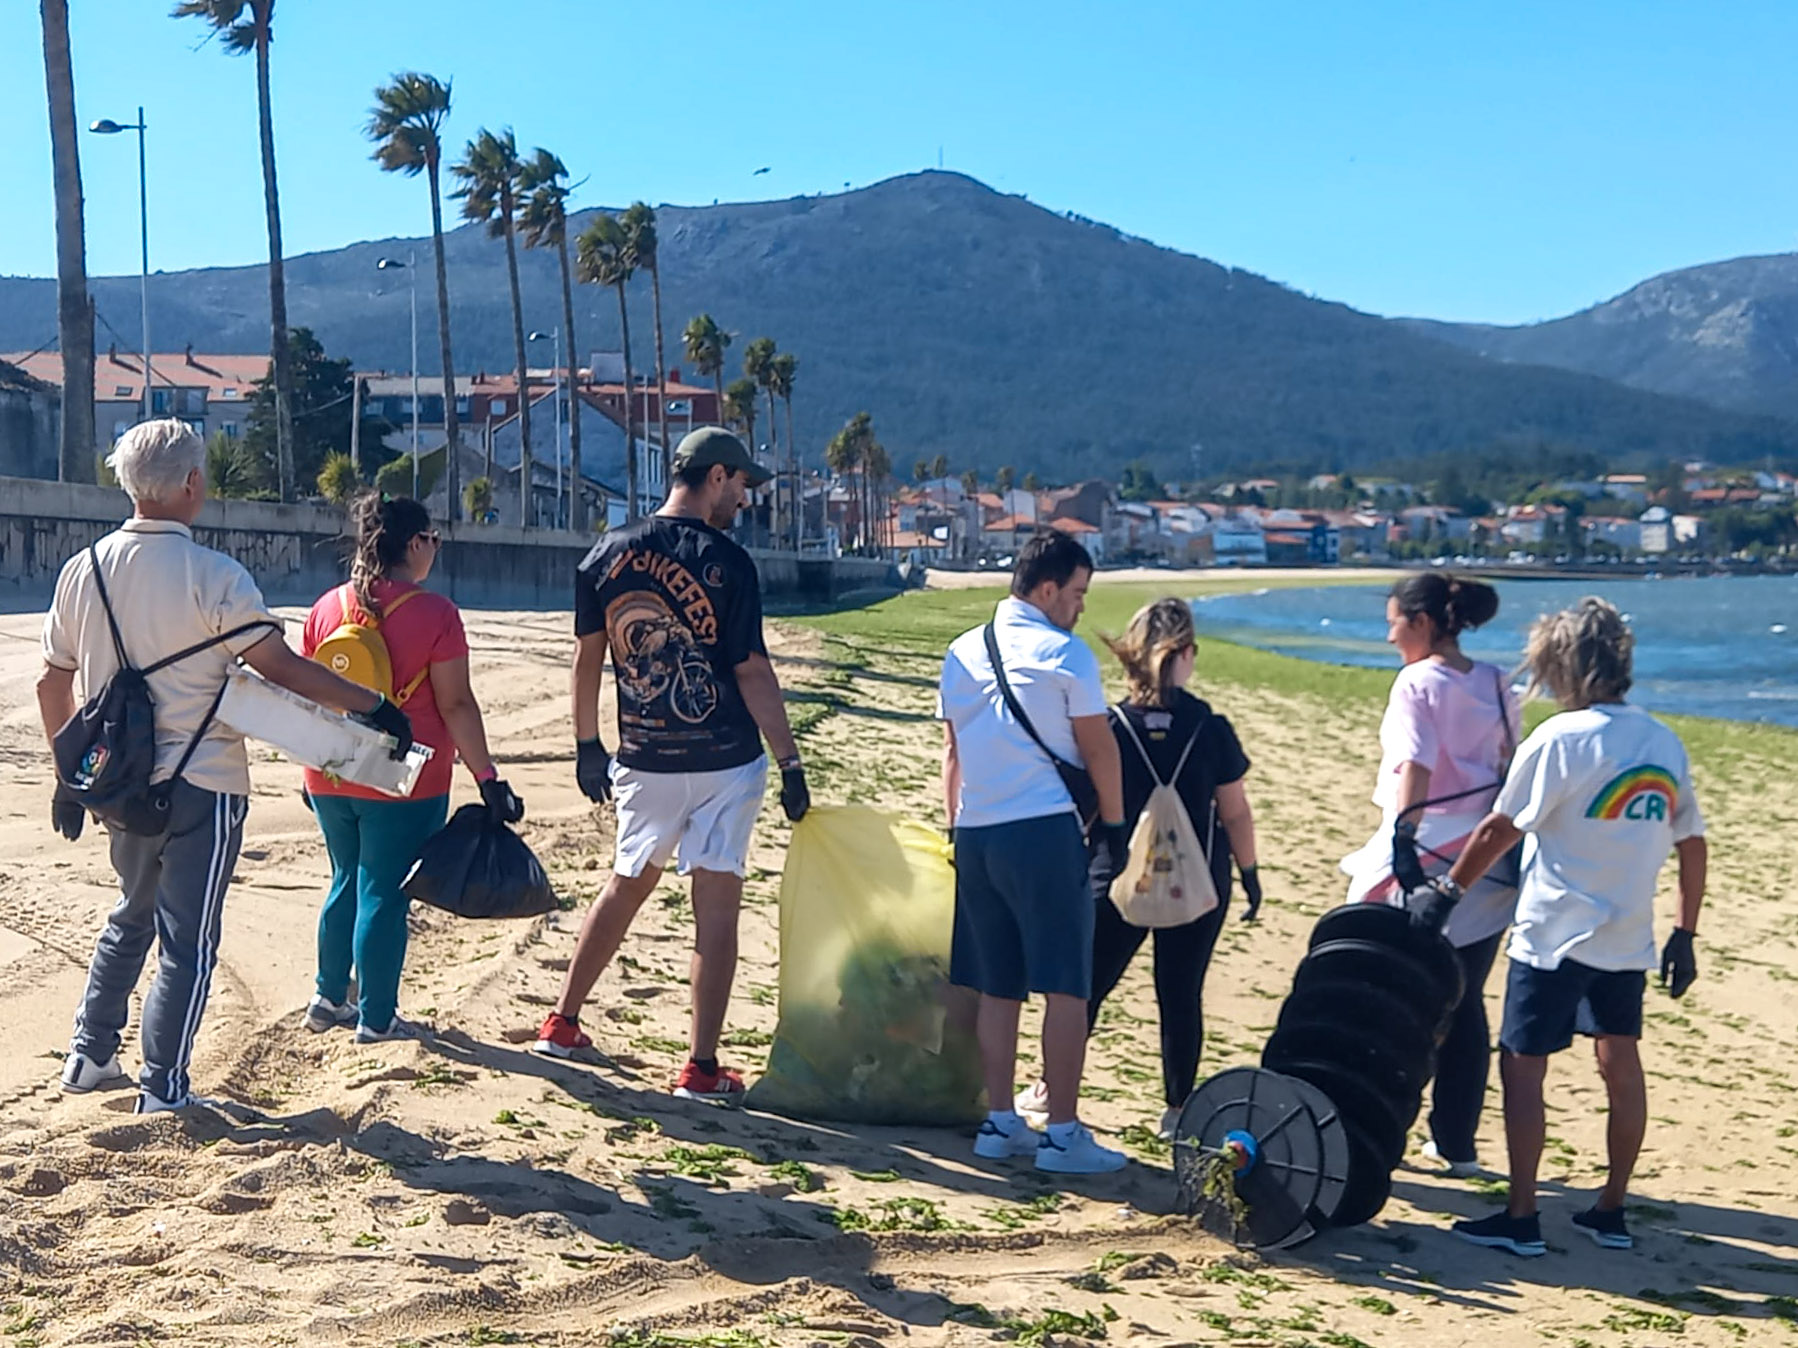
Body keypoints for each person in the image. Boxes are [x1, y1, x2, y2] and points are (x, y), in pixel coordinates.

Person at [38, 419, 412, 1113]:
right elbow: (282, 670)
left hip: (118, 784)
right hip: (201, 784)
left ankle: (89, 1054)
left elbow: (51, 684)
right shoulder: (215, 577)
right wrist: (374, 706)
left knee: (131, 914)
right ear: (191, 484)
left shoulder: (80, 571)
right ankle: (163, 1090)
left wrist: (70, 773)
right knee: (188, 941)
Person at [1412, 598, 1706, 1258]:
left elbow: (1499, 826)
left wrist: (1447, 890)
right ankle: (1611, 1209)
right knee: (1620, 1063)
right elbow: (1692, 840)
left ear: (1563, 665)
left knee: (1523, 1067)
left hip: (1551, 936)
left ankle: (1522, 1217)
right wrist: (1686, 932)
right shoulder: (1662, 741)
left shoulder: (1561, 737)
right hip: (1627, 933)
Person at [539, 427, 809, 1103]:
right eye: (742, 485)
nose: (744, 499)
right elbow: (751, 669)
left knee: (626, 885)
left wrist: (585, 745)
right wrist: (791, 761)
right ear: (716, 477)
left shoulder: (603, 556)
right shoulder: (731, 562)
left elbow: (587, 659)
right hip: (726, 759)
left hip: (645, 756)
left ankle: (563, 1022)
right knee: (716, 909)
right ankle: (700, 1067)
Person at [938, 530, 1130, 1175]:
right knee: (1065, 984)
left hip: (976, 828)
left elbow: (953, 754)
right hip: (1043, 830)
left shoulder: (962, 651)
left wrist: (953, 828)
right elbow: (1099, 749)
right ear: (1046, 589)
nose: (1080, 607)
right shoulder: (1066, 655)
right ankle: (1063, 1133)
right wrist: (1115, 825)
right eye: (1077, 594)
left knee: (999, 984)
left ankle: (1000, 1120)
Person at [299, 494, 522, 1044]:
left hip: (329, 769)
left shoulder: (328, 606)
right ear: (415, 544)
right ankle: (376, 1019)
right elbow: (456, 706)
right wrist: (487, 777)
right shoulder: (437, 614)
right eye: (434, 540)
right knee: (386, 890)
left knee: (346, 877)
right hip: (406, 776)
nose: (436, 550)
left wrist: (309, 766)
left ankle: (328, 997)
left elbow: (309, 693)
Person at [1340, 573, 1519, 1177]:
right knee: (1464, 1001)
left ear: (1421, 622)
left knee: (1390, 993)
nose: (1390, 635)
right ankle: (1456, 1142)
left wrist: (1403, 839)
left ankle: (1375, 1120)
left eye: (1394, 622)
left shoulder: (1415, 682)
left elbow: (1414, 765)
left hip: (1429, 851)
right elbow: (1508, 768)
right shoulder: (1496, 681)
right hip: (1486, 861)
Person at [1071, 598, 1261, 1143]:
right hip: (1196, 880)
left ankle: (1054, 1090)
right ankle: (1178, 1109)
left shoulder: (1110, 725)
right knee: (1180, 995)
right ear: (1183, 654)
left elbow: (1086, 803)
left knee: (1087, 988)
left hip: (1116, 877)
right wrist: (1248, 875)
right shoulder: (1209, 727)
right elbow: (1235, 811)